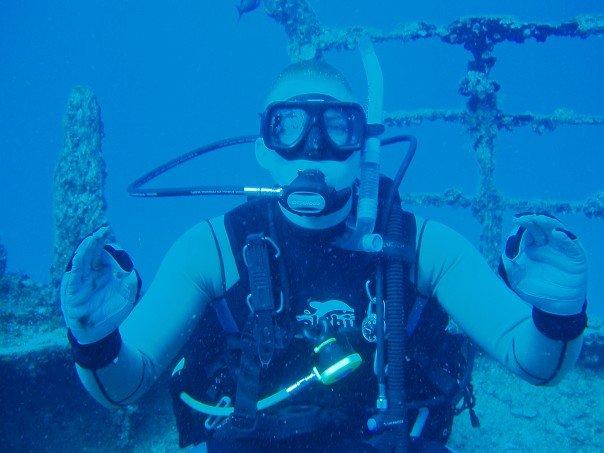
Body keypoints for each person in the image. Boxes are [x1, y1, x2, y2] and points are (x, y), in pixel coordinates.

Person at [60, 60, 588, 452]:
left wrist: (558, 312)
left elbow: (533, 362)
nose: (313, 146)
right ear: (263, 147)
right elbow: (125, 384)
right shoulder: (210, 250)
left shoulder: (426, 246)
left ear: (365, 148)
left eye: (338, 127)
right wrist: (95, 337)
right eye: (288, 126)